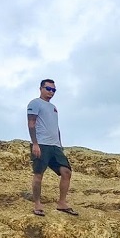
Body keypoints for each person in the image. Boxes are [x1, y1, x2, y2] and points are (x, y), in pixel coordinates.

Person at [27, 78, 78, 216]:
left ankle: (62, 203)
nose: (51, 92)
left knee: (66, 172)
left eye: (53, 90)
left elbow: (56, 127)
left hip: (55, 146)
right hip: (42, 144)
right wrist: (35, 143)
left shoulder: (54, 107)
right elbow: (31, 123)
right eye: (48, 89)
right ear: (41, 89)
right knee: (39, 174)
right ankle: (37, 204)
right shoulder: (35, 103)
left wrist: (60, 144)